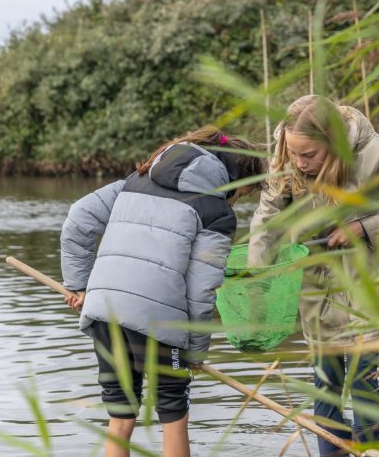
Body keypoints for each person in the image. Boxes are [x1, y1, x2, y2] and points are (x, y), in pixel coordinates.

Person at [60, 127, 264, 457]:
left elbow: (77, 220)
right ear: (234, 181)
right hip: (159, 322)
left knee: (120, 415)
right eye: (242, 194)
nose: (236, 200)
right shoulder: (215, 212)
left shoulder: (134, 181)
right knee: (173, 414)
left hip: (103, 308)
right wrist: (195, 352)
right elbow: (202, 288)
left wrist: (79, 285)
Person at [248, 95, 379, 457]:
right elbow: (265, 221)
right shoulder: (285, 158)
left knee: (363, 385)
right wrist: (256, 274)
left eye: (309, 155)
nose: (299, 163)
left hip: (368, 291)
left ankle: (371, 452)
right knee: (324, 387)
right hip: (315, 290)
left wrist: (364, 227)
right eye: (294, 153)